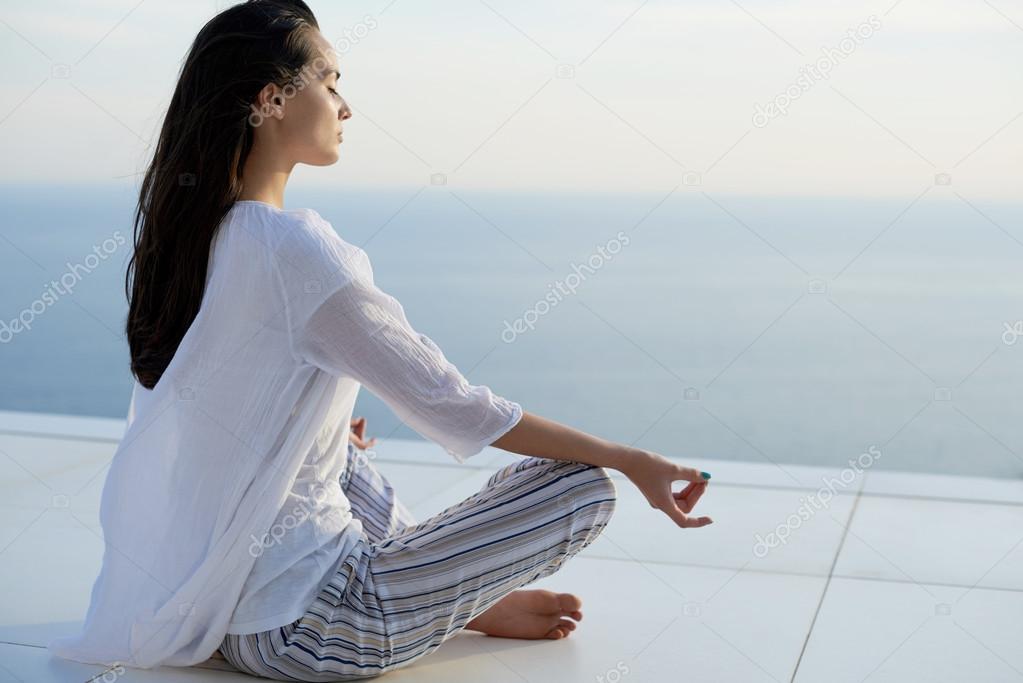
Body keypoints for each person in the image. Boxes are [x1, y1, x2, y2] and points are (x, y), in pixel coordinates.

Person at [48, 1, 714, 680]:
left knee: (335, 454)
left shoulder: (196, 239)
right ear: (272, 99)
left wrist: (317, 428)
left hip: (216, 614)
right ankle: (466, 602)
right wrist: (632, 458)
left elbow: (202, 423)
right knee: (585, 487)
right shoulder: (294, 248)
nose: (345, 106)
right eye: (330, 82)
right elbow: (458, 406)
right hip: (322, 629)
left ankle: (461, 601)